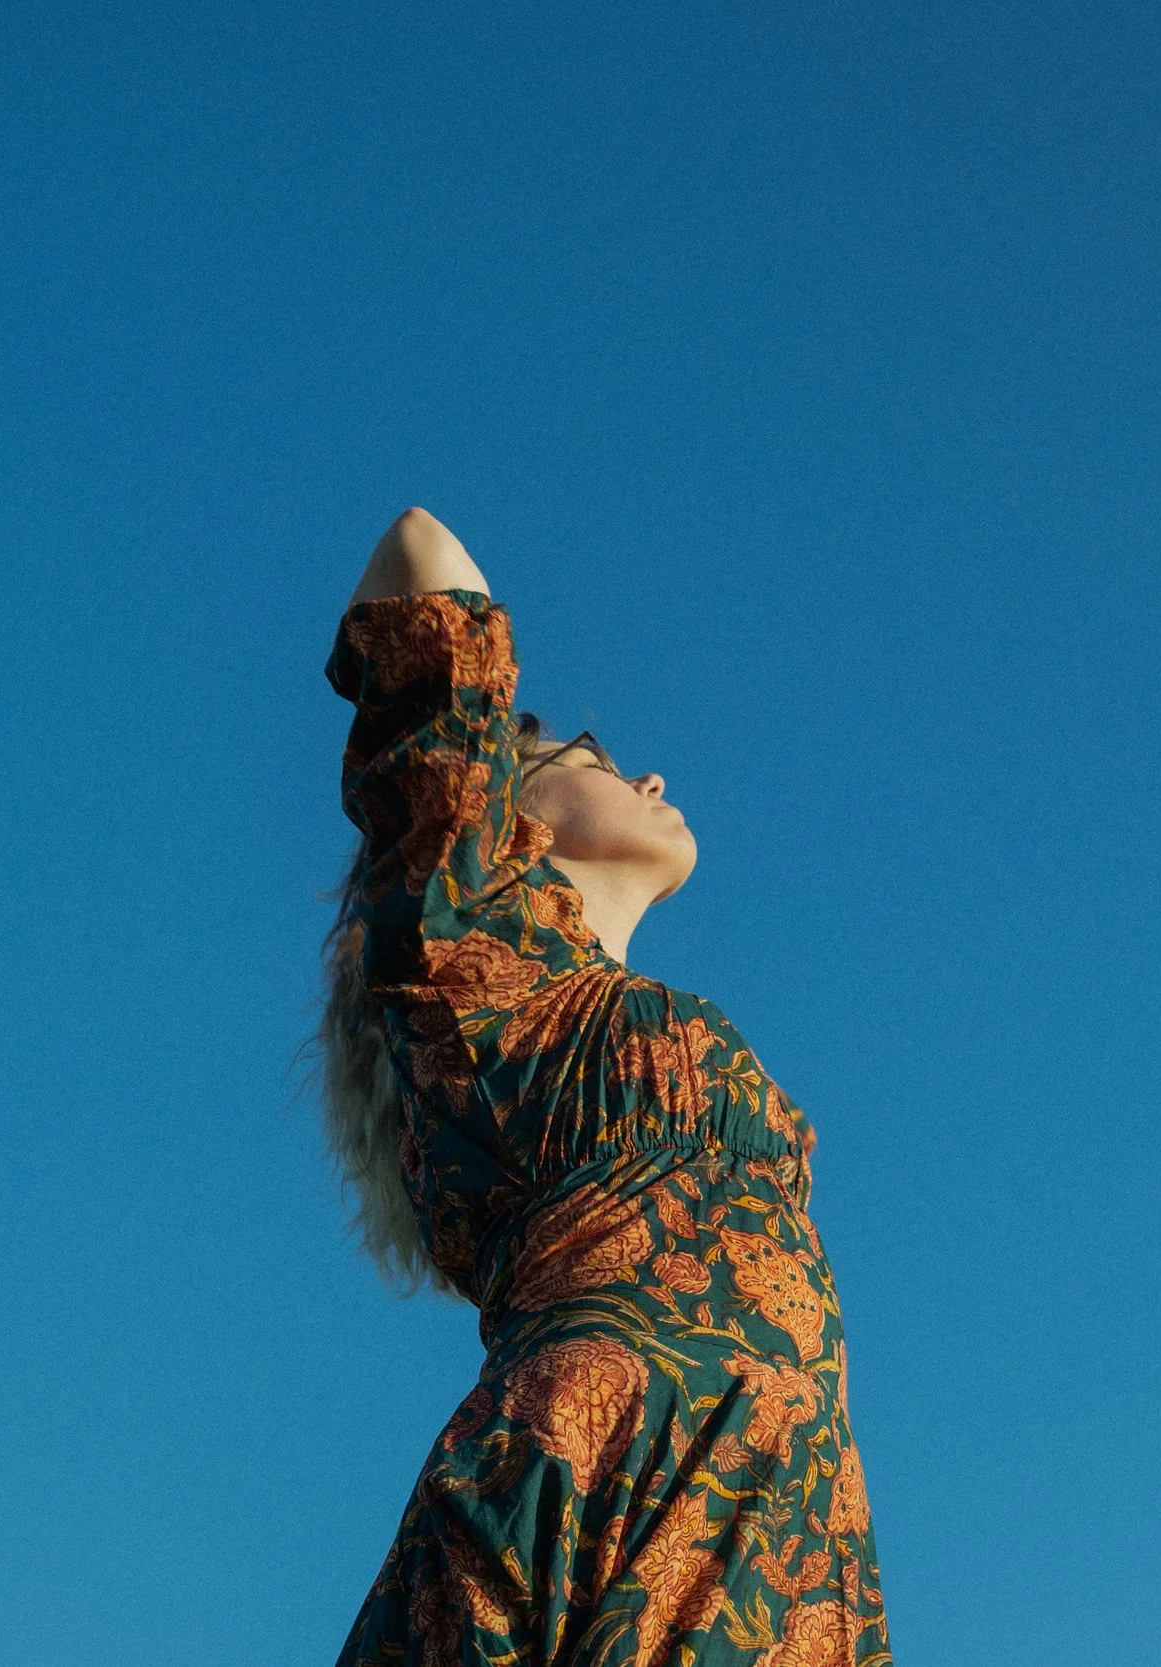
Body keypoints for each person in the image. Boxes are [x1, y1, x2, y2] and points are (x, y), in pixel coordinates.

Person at [319, 507, 890, 1664]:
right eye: (594, 760)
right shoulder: (478, 958)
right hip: (613, 1451)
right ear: (501, 810)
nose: (650, 770)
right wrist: (470, 751)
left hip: (781, 1498)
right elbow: (419, 554)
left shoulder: (616, 1010)